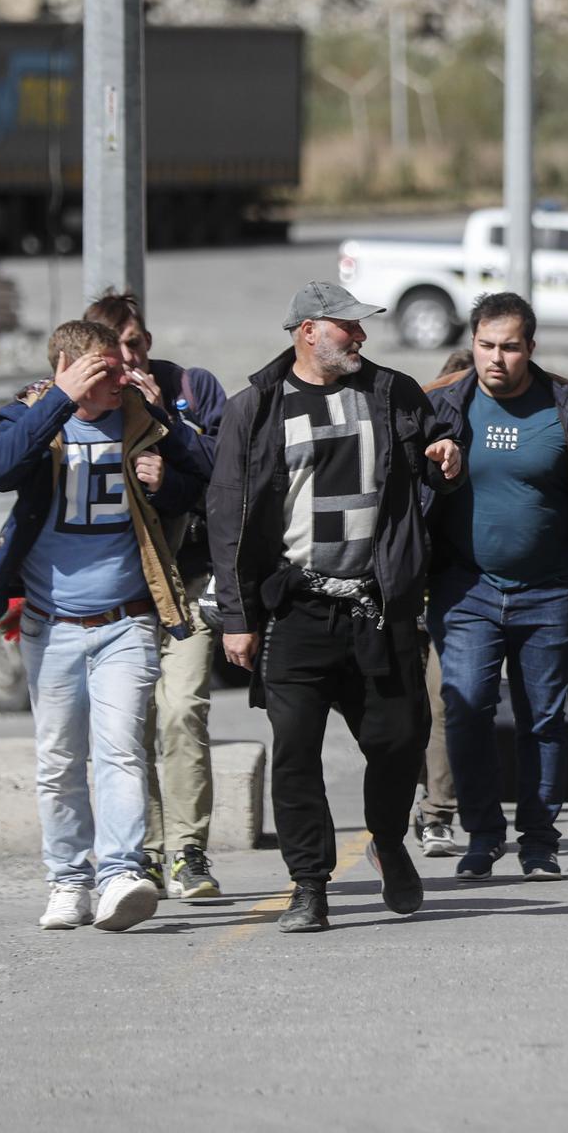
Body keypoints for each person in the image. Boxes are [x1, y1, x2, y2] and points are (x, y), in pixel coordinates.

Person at [206, 282, 465, 933]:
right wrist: (237, 615)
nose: (361, 336)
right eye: (347, 325)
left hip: (376, 609)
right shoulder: (255, 408)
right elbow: (228, 515)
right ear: (307, 331)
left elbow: (435, 449)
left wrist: (444, 453)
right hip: (296, 608)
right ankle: (310, 883)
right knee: (296, 751)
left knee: (398, 740)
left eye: (360, 326)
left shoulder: (392, 392)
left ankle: (387, 838)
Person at [0, 319, 210, 932]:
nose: (121, 375)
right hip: (53, 626)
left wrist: (169, 438)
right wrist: (58, 400)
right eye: (105, 367)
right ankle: (67, 880)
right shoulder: (32, 417)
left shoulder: (141, 416)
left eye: (122, 365)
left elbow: (211, 473)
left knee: (121, 751)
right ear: (69, 369)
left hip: (128, 620)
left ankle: (122, 873)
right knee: (58, 758)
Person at [425, 293, 568, 881]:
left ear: (530, 348)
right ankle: (484, 835)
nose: (497, 358)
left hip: (551, 591)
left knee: (543, 720)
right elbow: (405, 490)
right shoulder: (441, 404)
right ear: (472, 344)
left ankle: (540, 841)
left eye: (510, 347)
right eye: (486, 345)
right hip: (466, 592)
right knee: (465, 709)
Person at [84, 291, 228, 898]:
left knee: (183, 710)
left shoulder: (191, 388)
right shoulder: (87, 408)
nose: (129, 357)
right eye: (115, 348)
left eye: (136, 342)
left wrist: (168, 438)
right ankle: (144, 850)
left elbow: (227, 471)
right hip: (127, 592)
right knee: (130, 725)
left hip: (189, 583)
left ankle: (187, 851)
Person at [411, 347, 477, 857]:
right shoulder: (417, 443)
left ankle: (438, 815)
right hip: (400, 595)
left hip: (455, 600)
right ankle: (418, 800)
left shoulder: (487, 456)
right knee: (402, 712)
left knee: (443, 705)